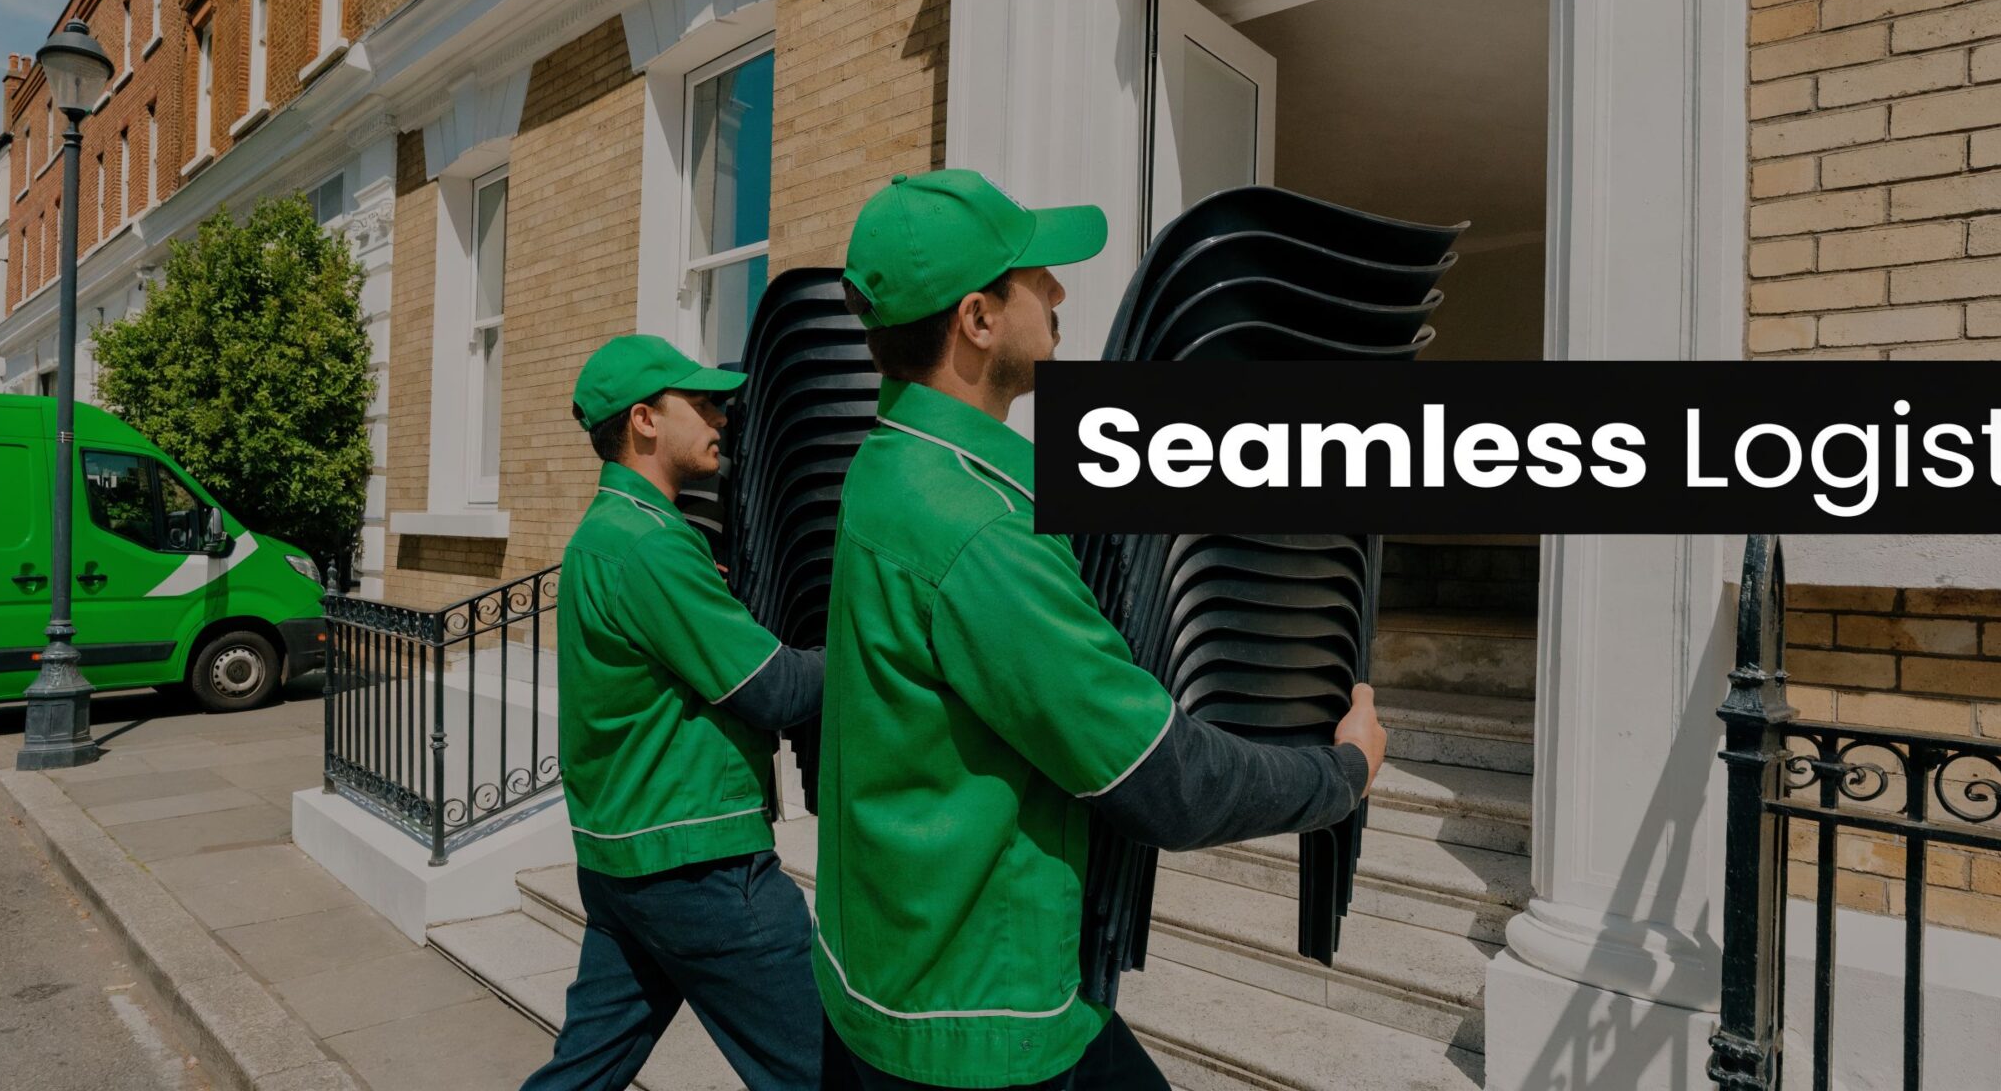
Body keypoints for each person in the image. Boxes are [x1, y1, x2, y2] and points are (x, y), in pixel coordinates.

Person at [814, 171, 1388, 1090]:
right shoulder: (978, 530)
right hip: (978, 1023)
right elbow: (1165, 781)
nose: (1060, 292)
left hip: (890, 977)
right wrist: (1342, 774)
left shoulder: (888, 467)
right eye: (1036, 276)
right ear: (978, 319)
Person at [522, 334, 830, 1091]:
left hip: (627, 857)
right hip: (699, 868)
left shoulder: (608, 535)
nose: (721, 416)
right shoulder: (650, 546)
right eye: (701, 402)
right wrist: (866, 647)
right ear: (644, 421)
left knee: (585, 1072)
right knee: (829, 1073)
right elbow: (774, 689)